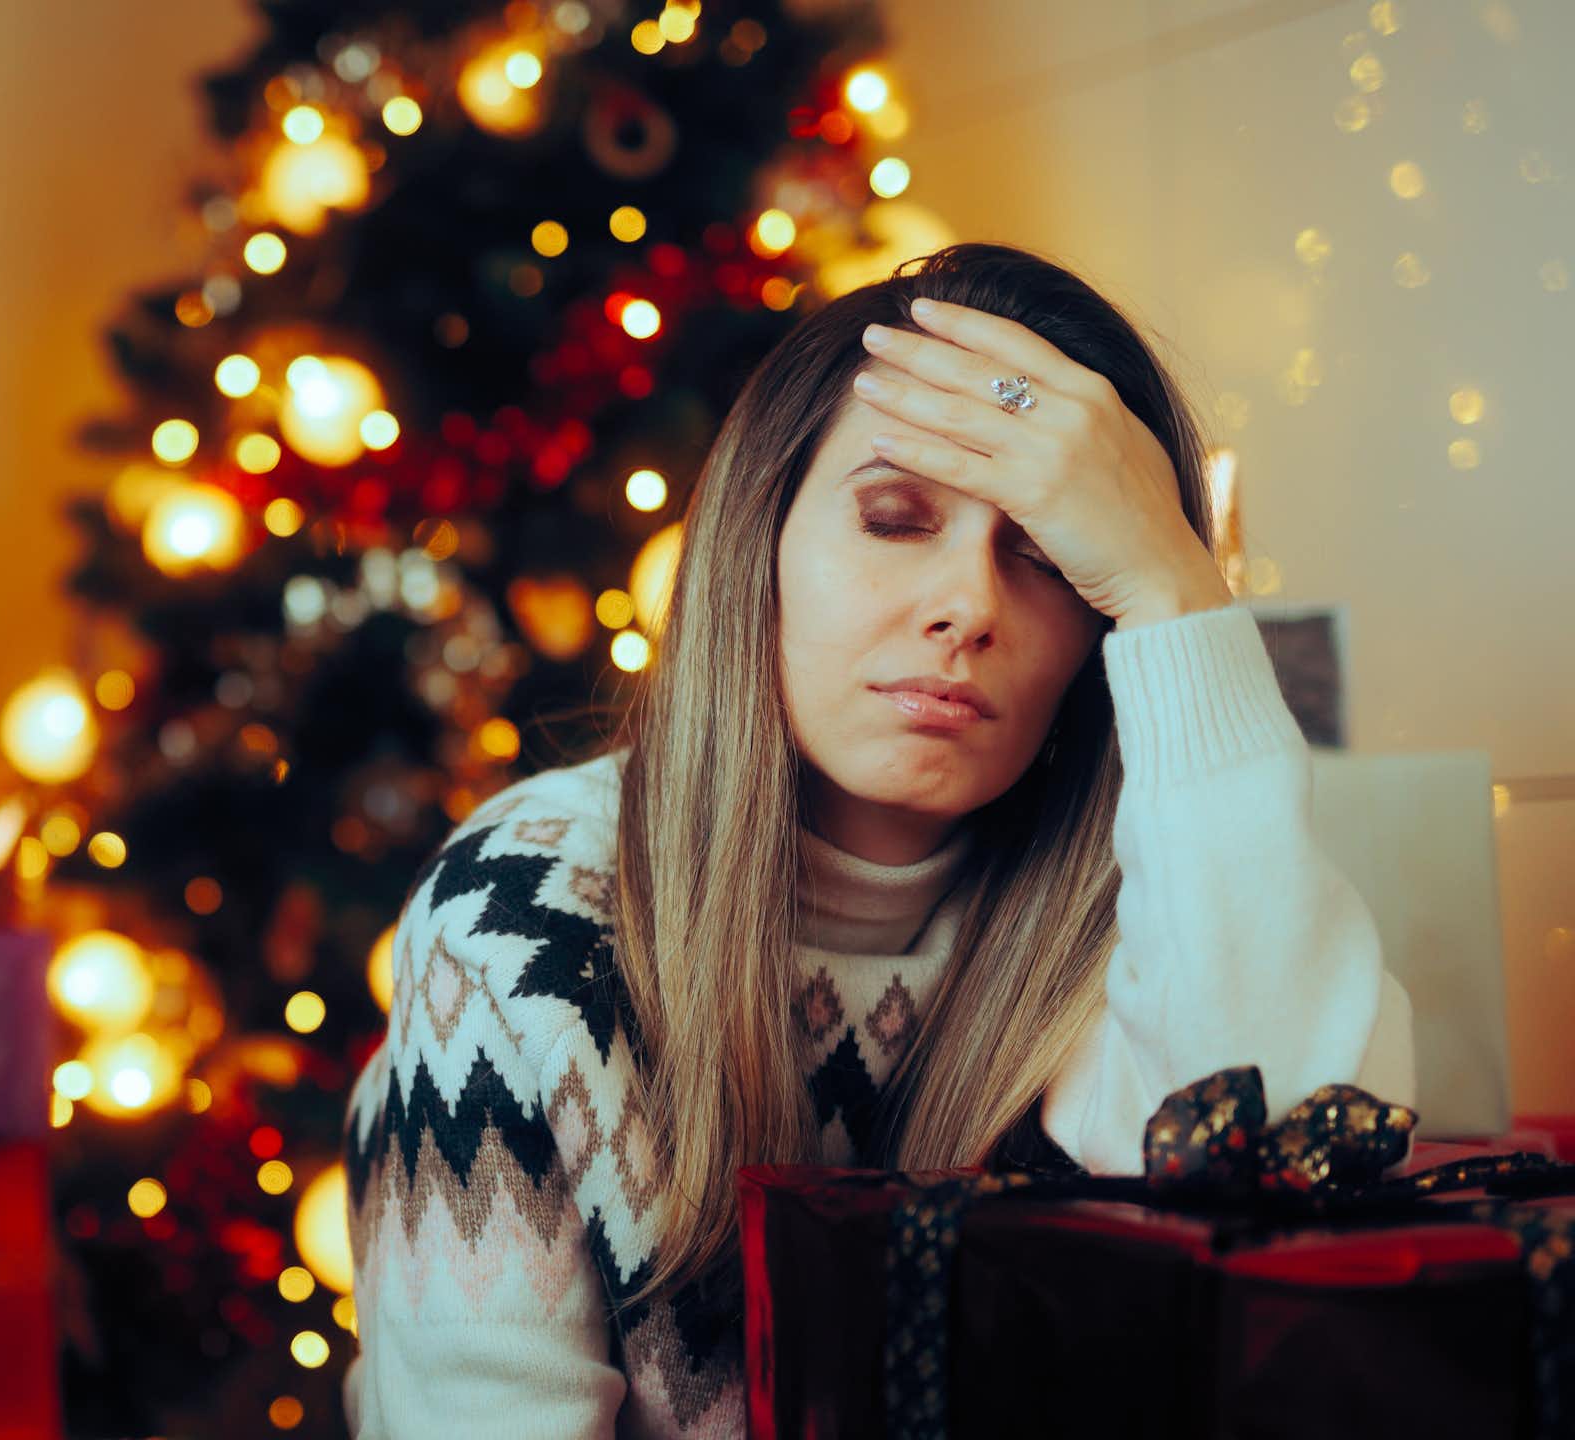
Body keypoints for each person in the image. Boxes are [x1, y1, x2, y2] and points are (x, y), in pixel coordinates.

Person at [338, 243, 1415, 1439]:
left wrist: (1173, 586)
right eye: (894, 519)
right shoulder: (525, 912)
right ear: (757, 546)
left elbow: (1286, 1164)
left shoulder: (1158, 907)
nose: (970, 606)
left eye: (1051, 555)